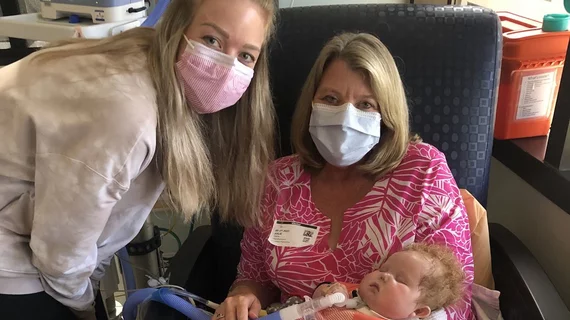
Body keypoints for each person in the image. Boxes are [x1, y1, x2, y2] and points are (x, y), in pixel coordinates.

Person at [0, 0, 277, 319]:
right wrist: (87, 308)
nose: (226, 67)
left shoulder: (161, 80)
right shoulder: (128, 111)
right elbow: (60, 255)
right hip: (15, 256)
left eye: (245, 55)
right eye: (211, 40)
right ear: (177, 29)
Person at [215, 32, 474, 320]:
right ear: (311, 104)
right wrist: (242, 297)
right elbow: (253, 277)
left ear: (386, 114)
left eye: (365, 105)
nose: (345, 117)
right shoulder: (277, 181)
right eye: (331, 98)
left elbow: (453, 300)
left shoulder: (423, 172)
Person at [312, 243, 465, 320]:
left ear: (418, 311)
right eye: (383, 269)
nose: (384, 276)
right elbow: (317, 298)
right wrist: (327, 291)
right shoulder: (351, 293)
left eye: (400, 280)